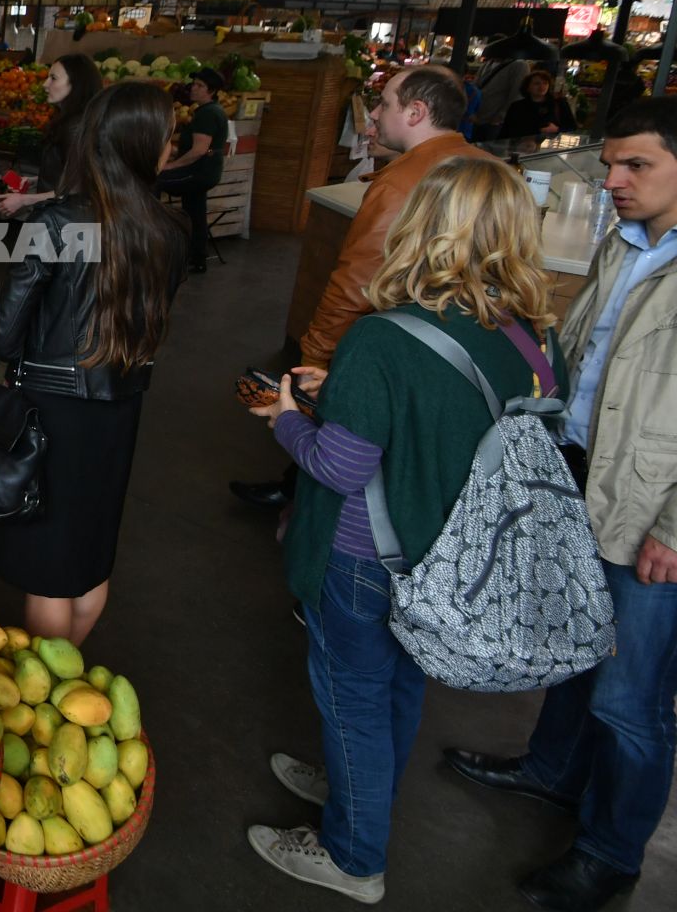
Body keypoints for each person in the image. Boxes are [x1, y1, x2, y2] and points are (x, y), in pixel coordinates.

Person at [244, 155, 566, 906]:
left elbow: (342, 466)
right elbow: (448, 417)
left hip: (365, 555)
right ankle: (357, 781)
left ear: (420, 228)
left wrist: (287, 418)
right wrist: (349, 394)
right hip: (449, 559)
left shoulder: (382, 338)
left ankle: (353, 858)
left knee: (352, 697)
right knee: (399, 685)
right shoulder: (525, 339)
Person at [442, 97, 677, 912]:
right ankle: (549, 770)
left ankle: (610, 855)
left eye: (635, 165)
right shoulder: (627, 244)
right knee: (575, 638)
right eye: (610, 163)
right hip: (583, 474)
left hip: (651, 510)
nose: (612, 180)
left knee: (631, 700)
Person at [0, 84, 184, 642]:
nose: (174, 147)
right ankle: (64, 673)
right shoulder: (168, 233)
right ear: (142, 145)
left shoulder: (54, 223)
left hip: (50, 413)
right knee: (90, 553)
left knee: (48, 568)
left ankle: (47, 691)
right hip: (120, 411)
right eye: (169, 136)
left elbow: (4, 336)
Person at [233, 67, 483, 507]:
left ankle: (303, 511)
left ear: (416, 111)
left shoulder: (402, 183)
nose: (375, 112)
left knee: (342, 450)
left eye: (385, 102)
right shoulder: (488, 168)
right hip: (458, 353)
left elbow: (356, 282)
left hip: (390, 342)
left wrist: (316, 355)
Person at [0, 53, 101, 217]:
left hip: (67, 222)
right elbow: (68, 174)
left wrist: (24, 200)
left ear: (76, 83)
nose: (45, 84)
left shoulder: (76, 127)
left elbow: (77, 187)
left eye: (53, 78)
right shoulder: (70, 121)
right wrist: (35, 180)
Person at [157, 66, 230, 274]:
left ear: (212, 91)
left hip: (199, 171)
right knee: (195, 212)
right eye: (194, 84)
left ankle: (151, 239)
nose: (194, 89)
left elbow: (198, 151)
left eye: (200, 86)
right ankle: (197, 257)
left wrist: (169, 166)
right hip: (205, 170)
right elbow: (194, 148)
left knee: (156, 181)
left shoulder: (207, 114)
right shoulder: (209, 111)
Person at [500, 68, 581, 143]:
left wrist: (557, 129)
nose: (542, 87)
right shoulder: (517, 106)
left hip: (549, 147)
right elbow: (506, 131)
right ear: (528, 87)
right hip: (520, 146)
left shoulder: (558, 103)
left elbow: (572, 127)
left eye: (545, 83)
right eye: (537, 83)